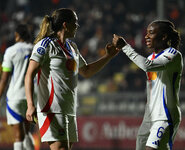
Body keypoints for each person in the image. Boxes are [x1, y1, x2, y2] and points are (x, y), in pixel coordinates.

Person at [25, 8, 118, 150]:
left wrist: (108, 56)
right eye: (75, 22)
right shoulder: (45, 45)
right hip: (51, 109)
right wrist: (30, 104)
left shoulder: (72, 47)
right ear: (65, 25)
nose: (77, 26)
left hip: (68, 109)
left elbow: (86, 71)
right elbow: (29, 74)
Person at [112, 20, 183, 150]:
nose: (146, 36)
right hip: (150, 116)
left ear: (163, 36)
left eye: (151, 33)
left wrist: (126, 47)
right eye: (146, 33)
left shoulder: (173, 55)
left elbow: (146, 66)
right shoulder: (151, 57)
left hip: (165, 115)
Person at [0, 24, 35, 150]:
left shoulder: (11, 51)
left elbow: (5, 78)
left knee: (18, 136)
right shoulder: (35, 49)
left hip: (15, 96)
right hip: (31, 97)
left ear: (16, 35)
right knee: (27, 133)